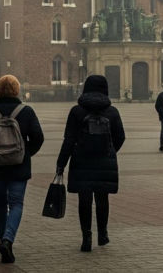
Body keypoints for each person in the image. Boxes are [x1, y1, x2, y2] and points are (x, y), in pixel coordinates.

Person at [0, 74, 44, 265]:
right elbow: (38, 138)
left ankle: (3, 239)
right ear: (17, 90)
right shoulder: (26, 111)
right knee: (16, 203)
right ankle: (8, 239)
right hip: (19, 166)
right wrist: (25, 154)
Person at [56, 75, 126, 252]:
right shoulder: (112, 112)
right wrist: (110, 151)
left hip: (81, 160)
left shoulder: (77, 111)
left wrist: (61, 163)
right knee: (102, 199)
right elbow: (121, 137)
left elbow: (69, 140)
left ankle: (86, 237)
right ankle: (102, 234)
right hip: (104, 161)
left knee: (84, 200)